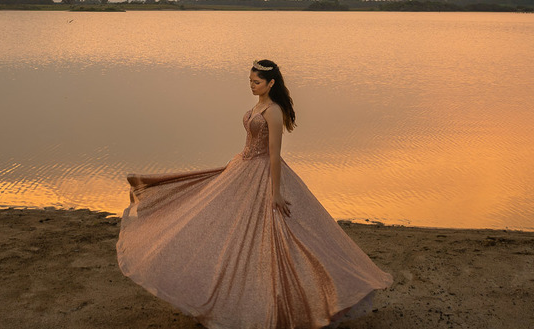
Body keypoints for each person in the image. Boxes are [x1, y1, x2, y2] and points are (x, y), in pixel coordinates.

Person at [116, 59, 392, 329]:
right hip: (243, 167)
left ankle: (297, 300)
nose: (251, 85)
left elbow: (274, 155)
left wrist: (275, 193)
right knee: (217, 223)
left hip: (264, 173)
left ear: (271, 83)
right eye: (250, 80)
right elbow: (250, 141)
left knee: (280, 238)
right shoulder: (258, 105)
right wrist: (236, 164)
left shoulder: (273, 111)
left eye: (257, 82)